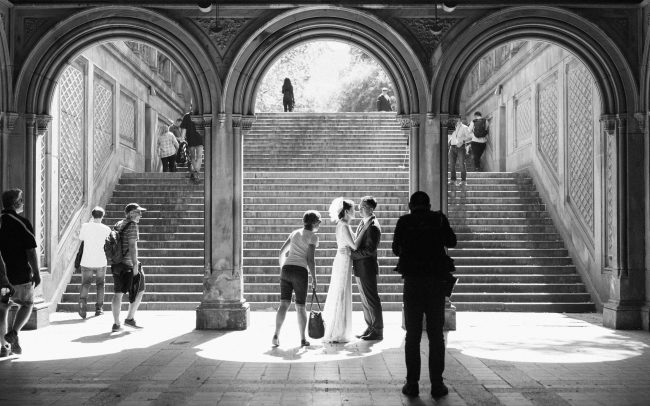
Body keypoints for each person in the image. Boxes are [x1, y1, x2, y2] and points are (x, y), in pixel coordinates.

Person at [392, 191, 457, 400]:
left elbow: (395, 249)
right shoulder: (438, 219)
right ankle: (437, 385)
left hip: (413, 282)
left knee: (412, 335)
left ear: (410, 206)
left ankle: (412, 384)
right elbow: (452, 241)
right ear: (428, 205)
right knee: (436, 335)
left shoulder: (404, 222)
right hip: (435, 282)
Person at [0, 189, 40, 357]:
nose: (23, 202)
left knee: (3, 309)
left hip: (2, 278)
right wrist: (37, 273)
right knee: (27, 304)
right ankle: (14, 333)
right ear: (15, 203)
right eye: (21, 200)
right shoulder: (21, 222)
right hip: (19, 275)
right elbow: (30, 251)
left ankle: (5, 347)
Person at [272, 210, 321, 348]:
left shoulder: (294, 233)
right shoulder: (313, 237)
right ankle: (302, 339)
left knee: (284, 304)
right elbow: (310, 260)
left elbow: (282, 252)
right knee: (300, 307)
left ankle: (276, 335)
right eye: (319, 221)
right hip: (300, 271)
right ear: (314, 223)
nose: (320, 224)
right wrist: (314, 278)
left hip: (286, 269)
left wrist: (283, 268)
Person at [322, 197, 367, 343]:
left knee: (341, 291)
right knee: (341, 292)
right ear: (347, 211)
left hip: (343, 259)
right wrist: (364, 230)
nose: (355, 211)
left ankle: (339, 328)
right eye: (353, 209)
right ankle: (338, 330)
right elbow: (354, 246)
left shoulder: (342, 224)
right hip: (343, 261)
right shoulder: (344, 226)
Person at [351, 196, 384, 341]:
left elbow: (369, 250)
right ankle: (370, 327)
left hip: (367, 268)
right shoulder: (363, 223)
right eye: (359, 205)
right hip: (360, 267)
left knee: (371, 299)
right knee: (364, 300)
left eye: (363, 206)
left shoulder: (373, 226)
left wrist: (352, 255)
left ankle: (378, 330)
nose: (359, 208)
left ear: (371, 209)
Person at [110, 203, 146, 332]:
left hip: (116, 263)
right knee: (139, 289)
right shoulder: (132, 226)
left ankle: (116, 324)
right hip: (129, 264)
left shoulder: (119, 224)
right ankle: (130, 318)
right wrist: (135, 264)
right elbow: (132, 246)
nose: (140, 215)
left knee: (118, 293)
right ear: (131, 213)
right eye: (138, 212)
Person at [77, 206, 111, 319]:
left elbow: (81, 238)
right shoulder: (106, 229)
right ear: (102, 216)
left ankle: (82, 306)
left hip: (87, 260)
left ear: (92, 215)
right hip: (101, 261)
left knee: (85, 284)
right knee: (100, 285)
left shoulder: (85, 226)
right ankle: (99, 309)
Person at [180, 112, 204, 184]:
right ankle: (197, 174)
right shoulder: (201, 114)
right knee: (199, 157)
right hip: (200, 137)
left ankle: (195, 174)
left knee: (193, 157)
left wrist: (182, 138)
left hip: (191, 138)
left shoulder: (187, 116)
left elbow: (184, 129)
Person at [448, 118, 472, 186]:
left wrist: (462, 141)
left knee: (461, 164)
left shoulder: (465, 127)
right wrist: (449, 142)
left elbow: (469, 137)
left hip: (460, 148)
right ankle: (453, 180)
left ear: (460, 120)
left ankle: (463, 181)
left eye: (457, 119)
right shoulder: (453, 127)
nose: (455, 120)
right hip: (452, 147)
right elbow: (454, 136)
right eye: (454, 119)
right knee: (452, 164)